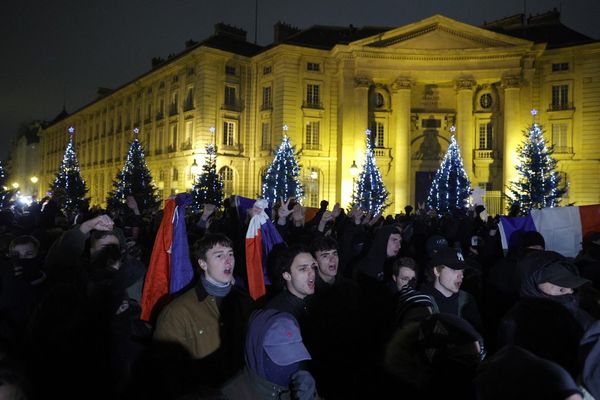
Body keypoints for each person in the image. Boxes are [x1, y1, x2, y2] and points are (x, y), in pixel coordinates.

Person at [153, 233, 254, 386]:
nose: (228, 261)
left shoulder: (245, 301)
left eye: (230, 254)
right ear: (203, 264)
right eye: (219, 256)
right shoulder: (176, 312)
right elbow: (165, 370)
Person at [305, 236, 361, 399]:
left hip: (349, 366)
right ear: (315, 261)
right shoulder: (309, 291)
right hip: (321, 369)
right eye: (325, 255)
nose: (332, 259)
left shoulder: (351, 288)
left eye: (334, 253)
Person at [222, 309, 316, 400]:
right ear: (257, 353)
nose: (291, 365)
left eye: (296, 354)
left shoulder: (297, 390)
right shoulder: (228, 395)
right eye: (282, 356)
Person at [421, 247, 482, 333]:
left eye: (462, 270)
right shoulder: (420, 301)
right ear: (437, 271)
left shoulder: (467, 300)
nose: (461, 276)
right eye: (454, 270)